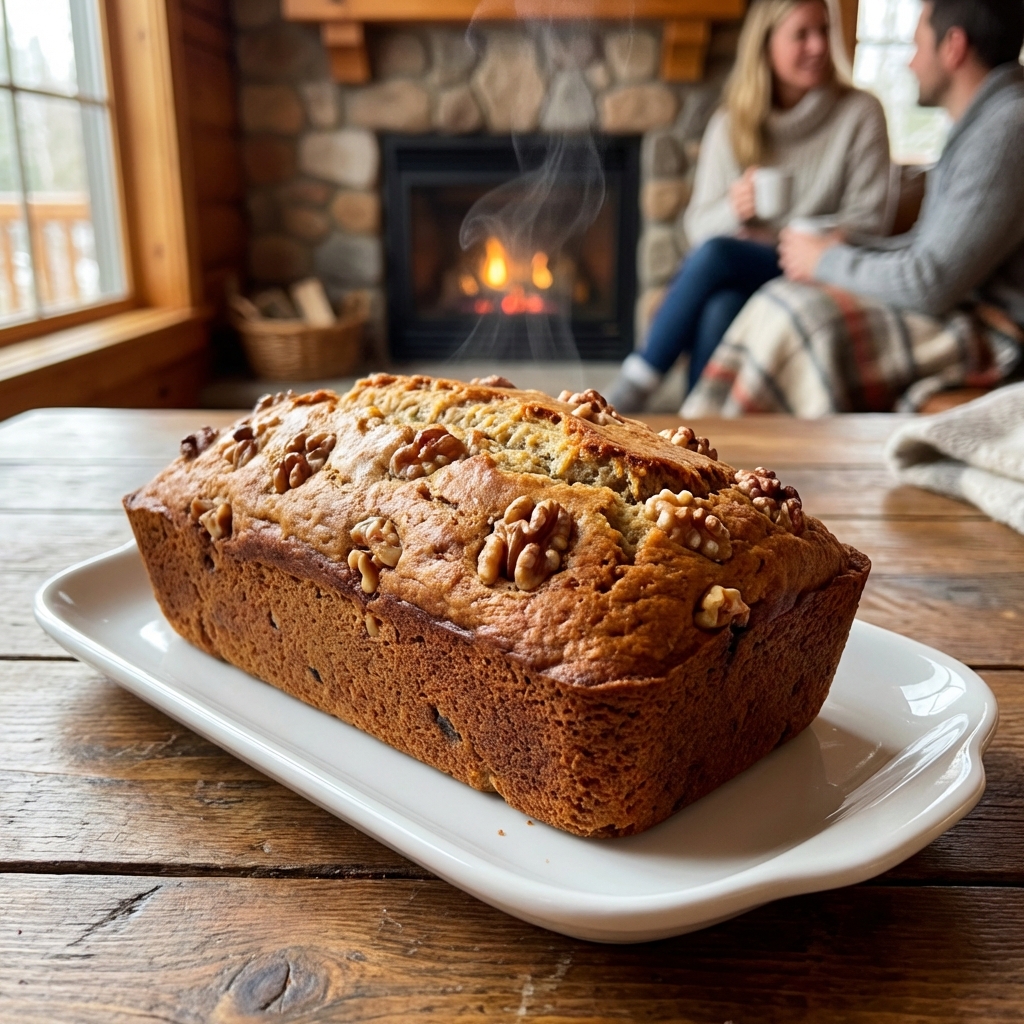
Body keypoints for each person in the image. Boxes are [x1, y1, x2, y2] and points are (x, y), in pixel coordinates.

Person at [682, 0, 1024, 417]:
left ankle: (723, 440)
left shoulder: (1007, 128)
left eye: (918, 45)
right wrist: (820, 252)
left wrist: (826, 257)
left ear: (953, 47)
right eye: (800, 34)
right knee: (732, 303)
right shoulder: (986, 123)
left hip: (993, 324)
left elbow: (929, 281)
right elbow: (924, 251)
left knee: (796, 314)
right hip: (949, 298)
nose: (910, 64)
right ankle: (699, 445)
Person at [608, 0, 890, 413]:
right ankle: (697, 432)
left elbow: (872, 222)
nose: (818, 46)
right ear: (766, 45)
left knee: (720, 254)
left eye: (823, 31)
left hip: (822, 268)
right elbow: (698, 228)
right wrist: (735, 211)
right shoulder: (732, 122)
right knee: (720, 306)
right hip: (746, 271)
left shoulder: (860, 114)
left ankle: (637, 381)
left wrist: (780, 238)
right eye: (801, 34)